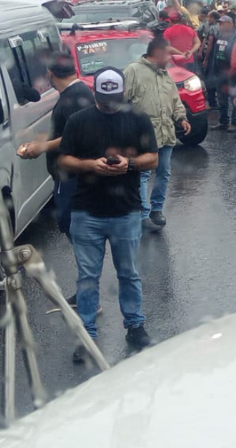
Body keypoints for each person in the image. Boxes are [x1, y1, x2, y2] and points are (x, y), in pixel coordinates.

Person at [58, 67, 158, 358]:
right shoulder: (78, 121)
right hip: (86, 211)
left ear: (123, 93)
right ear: (94, 94)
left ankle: (135, 326)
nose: (109, 105)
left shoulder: (138, 119)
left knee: (129, 273)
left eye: (114, 100)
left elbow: (153, 158)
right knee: (88, 276)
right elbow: (64, 159)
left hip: (126, 211)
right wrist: (90, 165)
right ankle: (87, 335)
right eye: (104, 101)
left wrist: (130, 164)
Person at [17, 52, 95, 238]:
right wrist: (38, 141)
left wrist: (42, 147)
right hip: (70, 176)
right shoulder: (74, 93)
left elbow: (76, 136)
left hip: (72, 176)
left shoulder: (75, 96)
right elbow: (65, 131)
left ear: (50, 73)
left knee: (75, 230)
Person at [124, 37, 191, 232]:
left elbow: (175, 100)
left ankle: (157, 209)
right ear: (158, 53)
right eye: (168, 54)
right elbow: (122, 101)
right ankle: (143, 214)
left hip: (166, 132)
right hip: (144, 135)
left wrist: (182, 118)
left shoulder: (165, 74)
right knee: (144, 173)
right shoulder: (133, 71)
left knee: (164, 172)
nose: (170, 58)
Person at [209, 16, 236, 131]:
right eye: (220, 24)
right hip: (220, 73)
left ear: (230, 24)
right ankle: (223, 122)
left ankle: (235, 123)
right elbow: (215, 53)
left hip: (232, 73)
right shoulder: (220, 36)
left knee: (235, 98)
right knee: (222, 99)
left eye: (223, 23)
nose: (221, 26)